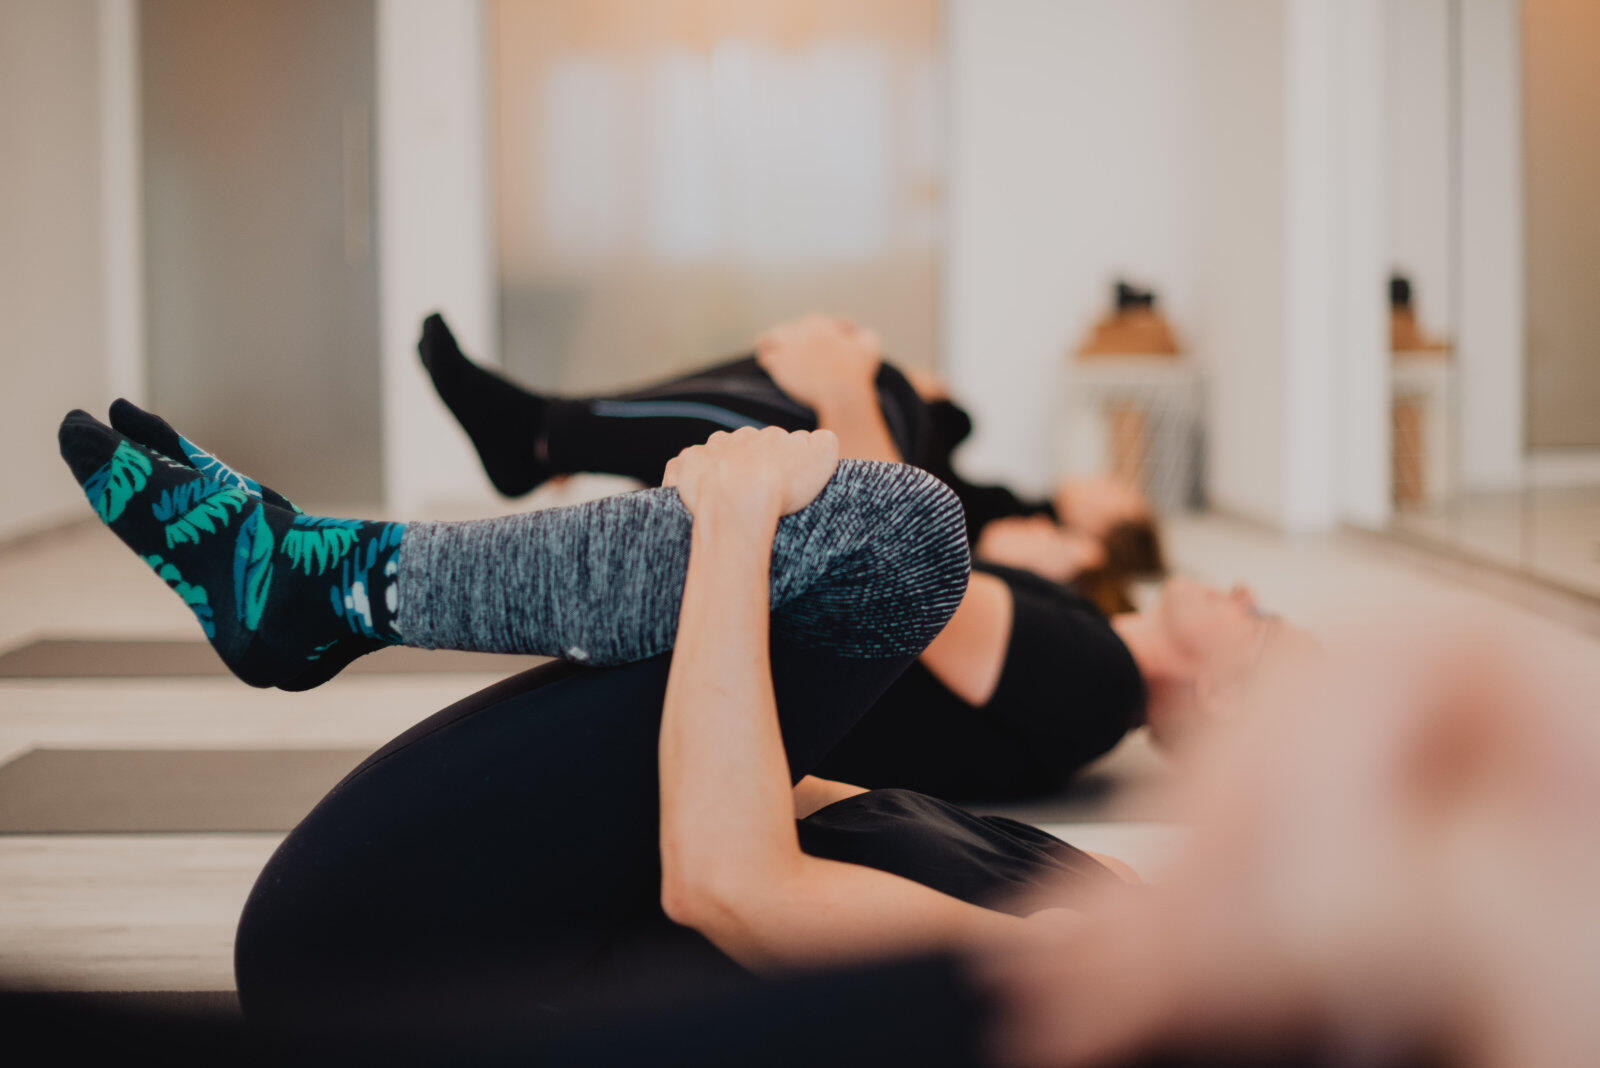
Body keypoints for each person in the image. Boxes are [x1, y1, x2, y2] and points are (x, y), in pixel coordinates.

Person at [57, 407, 1183, 1029]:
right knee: (886, 531)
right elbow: (792, 799)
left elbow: (731, 885)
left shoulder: (1104, 978)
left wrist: (737, 526)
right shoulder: (1114, 900)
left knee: (898, 538)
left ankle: (328, 585)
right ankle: (327, 579)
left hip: (406, 971)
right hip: (491, 911)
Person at [414, 314, 1266, 798]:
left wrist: (844, 389)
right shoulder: (1096, 660)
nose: (1241, 590)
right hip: (785, 627)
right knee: (890, 397)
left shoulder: (1097, 682)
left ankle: (540, 435)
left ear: (1221, 693)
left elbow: (910, 555)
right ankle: (541, 435)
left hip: (765, 646)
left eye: (1253, 620)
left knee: (879, 392)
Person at [417, 311, 1163, 599]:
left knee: (863, 389)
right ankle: (545, 435)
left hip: (871, 502)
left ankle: (544, 436)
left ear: (1096, 547)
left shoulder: (1015, 551)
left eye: (1116, 503)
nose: (1106, 483)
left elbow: (922, 511)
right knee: (803, 379)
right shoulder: (1026, 504)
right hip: (900, 460)